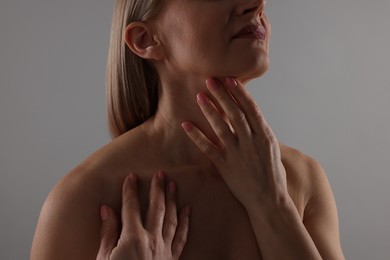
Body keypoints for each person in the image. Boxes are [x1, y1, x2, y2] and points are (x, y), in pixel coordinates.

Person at [31, 0, 345, 259]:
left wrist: (273, 203)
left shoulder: (303, 180)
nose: (257, 4)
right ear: (145, 40)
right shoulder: (81, 202)